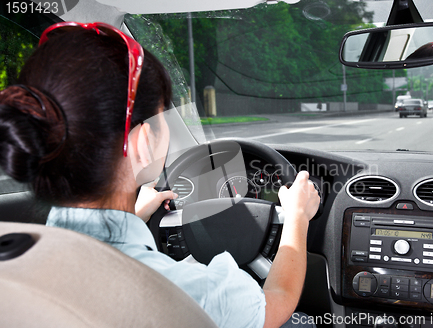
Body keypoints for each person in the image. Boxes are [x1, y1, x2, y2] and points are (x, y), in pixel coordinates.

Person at [0, 22, 320, 328]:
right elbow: (277, 301)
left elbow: (91, 249)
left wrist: (134, 215)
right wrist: (296, 218)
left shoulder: (18, 258)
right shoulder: (192, 294)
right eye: (164, 114)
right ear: (143, 142)